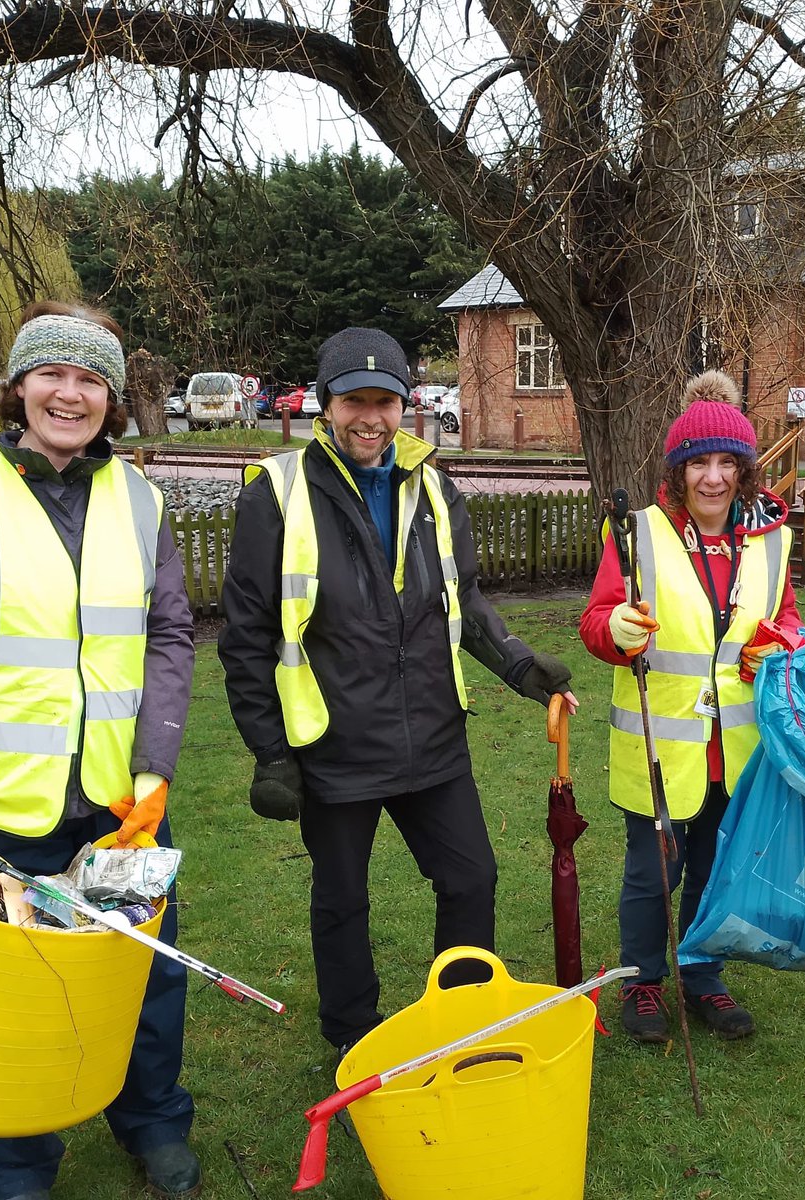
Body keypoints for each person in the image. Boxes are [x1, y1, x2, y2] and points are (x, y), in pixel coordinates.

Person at [0, 301, 201, 1200]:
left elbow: (169, 636)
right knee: (10, 994)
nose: (70, 394)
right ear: (18, 388)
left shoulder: (141, 501)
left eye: (90, 378)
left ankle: (152, 1122)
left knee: (143, 978)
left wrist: (156, 770)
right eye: (51, 374)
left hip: (117, 804)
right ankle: (17, 1161)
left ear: (111, 397)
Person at [218, 326, 578, 1056]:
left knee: (471, 879)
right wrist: (271, 753)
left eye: (384, 402)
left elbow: (462, 599)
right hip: (334, 744)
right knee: (343, 899)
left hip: (432, 737)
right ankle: (353, 1040)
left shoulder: (435, 487)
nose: (371, 418)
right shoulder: (278, 494)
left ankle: (462, 1024)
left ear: (404, 406)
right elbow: (246, 636)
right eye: (354, 401)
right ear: (326, 405)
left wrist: (520, 666)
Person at [578, 369, 804, 1043]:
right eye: (698, 463)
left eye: (727, 463)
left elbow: (787, 618)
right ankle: (644, 983)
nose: (713, 478)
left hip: (734, 752)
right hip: (659, 749)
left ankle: (702, 975)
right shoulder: (638, 535)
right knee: (653, 877)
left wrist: (778, 646)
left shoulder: (771, 540)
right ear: (677, 472)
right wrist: (617, 631)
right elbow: (595, 622)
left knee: (713, 872)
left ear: (744, 471)